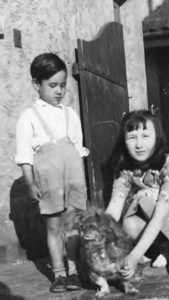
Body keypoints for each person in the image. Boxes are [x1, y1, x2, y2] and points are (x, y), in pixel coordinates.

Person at [15, 53, 89, 292]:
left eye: (63, 85)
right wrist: (30, 184)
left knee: (73, 226)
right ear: (36, 84)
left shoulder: (70, 114)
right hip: (49, 181)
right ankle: (59, 273)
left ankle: (75, 271)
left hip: (73, 179)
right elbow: (25, 156)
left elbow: (77, 150)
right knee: (54, 228)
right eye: (52, 85)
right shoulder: (29, 117)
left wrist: (79, 182)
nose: (59, 91)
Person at [106, 110, 169, 279]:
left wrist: (134, 256)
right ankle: (165, 247)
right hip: (159, 219)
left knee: (145, 196)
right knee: (128, 224)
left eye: (145, 136)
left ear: (157, 137)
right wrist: (100, 243)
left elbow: (159, 216)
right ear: (124, 141)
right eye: (132, 137)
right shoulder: (126, 168)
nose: (139, 144)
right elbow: (114, 208)